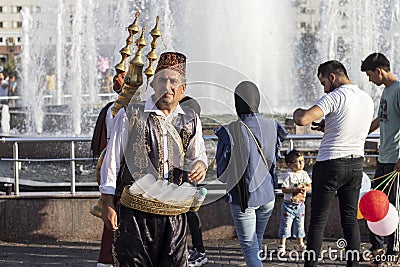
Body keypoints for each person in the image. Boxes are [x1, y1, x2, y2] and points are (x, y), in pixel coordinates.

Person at [100, 51, 208, 266]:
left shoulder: (190, 119)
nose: (167, 87)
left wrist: (201, 165)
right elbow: (111, 160)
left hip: (174, 213)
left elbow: (199, 154)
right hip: (134, 213)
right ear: (153, 84)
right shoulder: (130, 114)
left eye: (173, 81)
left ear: (183, 89)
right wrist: (107, 202)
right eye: (162, 80)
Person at [293, 60, 374, 267]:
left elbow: (303, 119)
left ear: (332, 77)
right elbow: (350, 125)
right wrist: (327, 125)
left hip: (330, 164)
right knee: (350, 220)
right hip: (356, 164)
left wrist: (297, 112)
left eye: (323, 83)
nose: (324, 88)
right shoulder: (366, 98)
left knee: (318, 220)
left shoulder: (335, 96)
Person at [215, 81, 287, 267]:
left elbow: (222, 171)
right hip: (268, 196)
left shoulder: (230, 130)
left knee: (249, 248)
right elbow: (274, 159)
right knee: (256, 241)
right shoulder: (273, 126)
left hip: (243, 198)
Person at [361, 52, 400, 265]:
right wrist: (361, 132)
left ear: (379, 71)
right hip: (383, 156)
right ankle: (376, 245)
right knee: (376, 201)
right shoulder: (386, 92)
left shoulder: (399, 90)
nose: (369, 80)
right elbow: (380, 119)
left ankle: (393, 248)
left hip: (395, 159)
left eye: (369, 75)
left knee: (393, 205)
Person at [91, 71, 125, 267]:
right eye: (116, 76)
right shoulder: (114, 109)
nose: (116, 80)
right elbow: (107, 147)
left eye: (121, 76)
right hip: (117, 169)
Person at [179, 95, 208, 267]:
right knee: (187, 215)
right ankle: (193, 250)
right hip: (186, 181)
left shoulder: (191, 128)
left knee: (187, 214)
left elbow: (198, 154)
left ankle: (199, 251)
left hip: (186, 180)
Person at [277, 149, 312, 255]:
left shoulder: (304, 174)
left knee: (300, 225)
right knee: (286, 225)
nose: (301, 164)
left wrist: (306, 188)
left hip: (301, 205)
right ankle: (282, 244)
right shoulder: (289, 175)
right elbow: (284, 189)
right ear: (289, 164)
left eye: (302, 161)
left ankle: (300, 243)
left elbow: (310, 186)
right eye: (298, 161)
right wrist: (295, 190)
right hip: (289, 205)